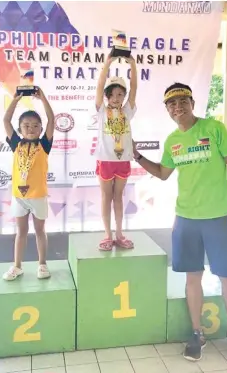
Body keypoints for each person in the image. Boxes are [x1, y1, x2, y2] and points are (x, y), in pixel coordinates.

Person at [133, 82, 227, 362]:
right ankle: (197, 333)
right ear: (167, 110)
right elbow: (163, 173)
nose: (178, 107)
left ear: (192, 103)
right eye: (172, 104)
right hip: (186, 219)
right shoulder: (173, 141)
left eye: (183, 101)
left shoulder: (214, 129)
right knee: (192, 278)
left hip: (219, 218)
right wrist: (136, 156)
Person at [2, 87, 55, 281]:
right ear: (20, 129)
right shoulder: (16, 143)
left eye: (35, 125)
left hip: (38, 195)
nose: (30, 128)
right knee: (21, 232)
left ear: (41, 129)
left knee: (40, 231)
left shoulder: (44, 144)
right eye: (26, 125)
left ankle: (42, 264)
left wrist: (43, 99)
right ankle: (17, 266)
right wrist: (15, 100)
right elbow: (6, 120)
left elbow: (52, 120)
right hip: (19, 197)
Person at [94, 54, 137, 251]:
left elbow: (134, 89)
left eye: (121, 94)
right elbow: (99, 84)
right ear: (107, 95)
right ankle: (107, 235)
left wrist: (133, 66)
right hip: (105, 160)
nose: (117, 98)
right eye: (113, 94)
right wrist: (108, 63)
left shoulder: (128, 110)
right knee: (106, 197)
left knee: (118, 197)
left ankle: (119, 234)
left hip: (123, 160)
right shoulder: (101, 110)